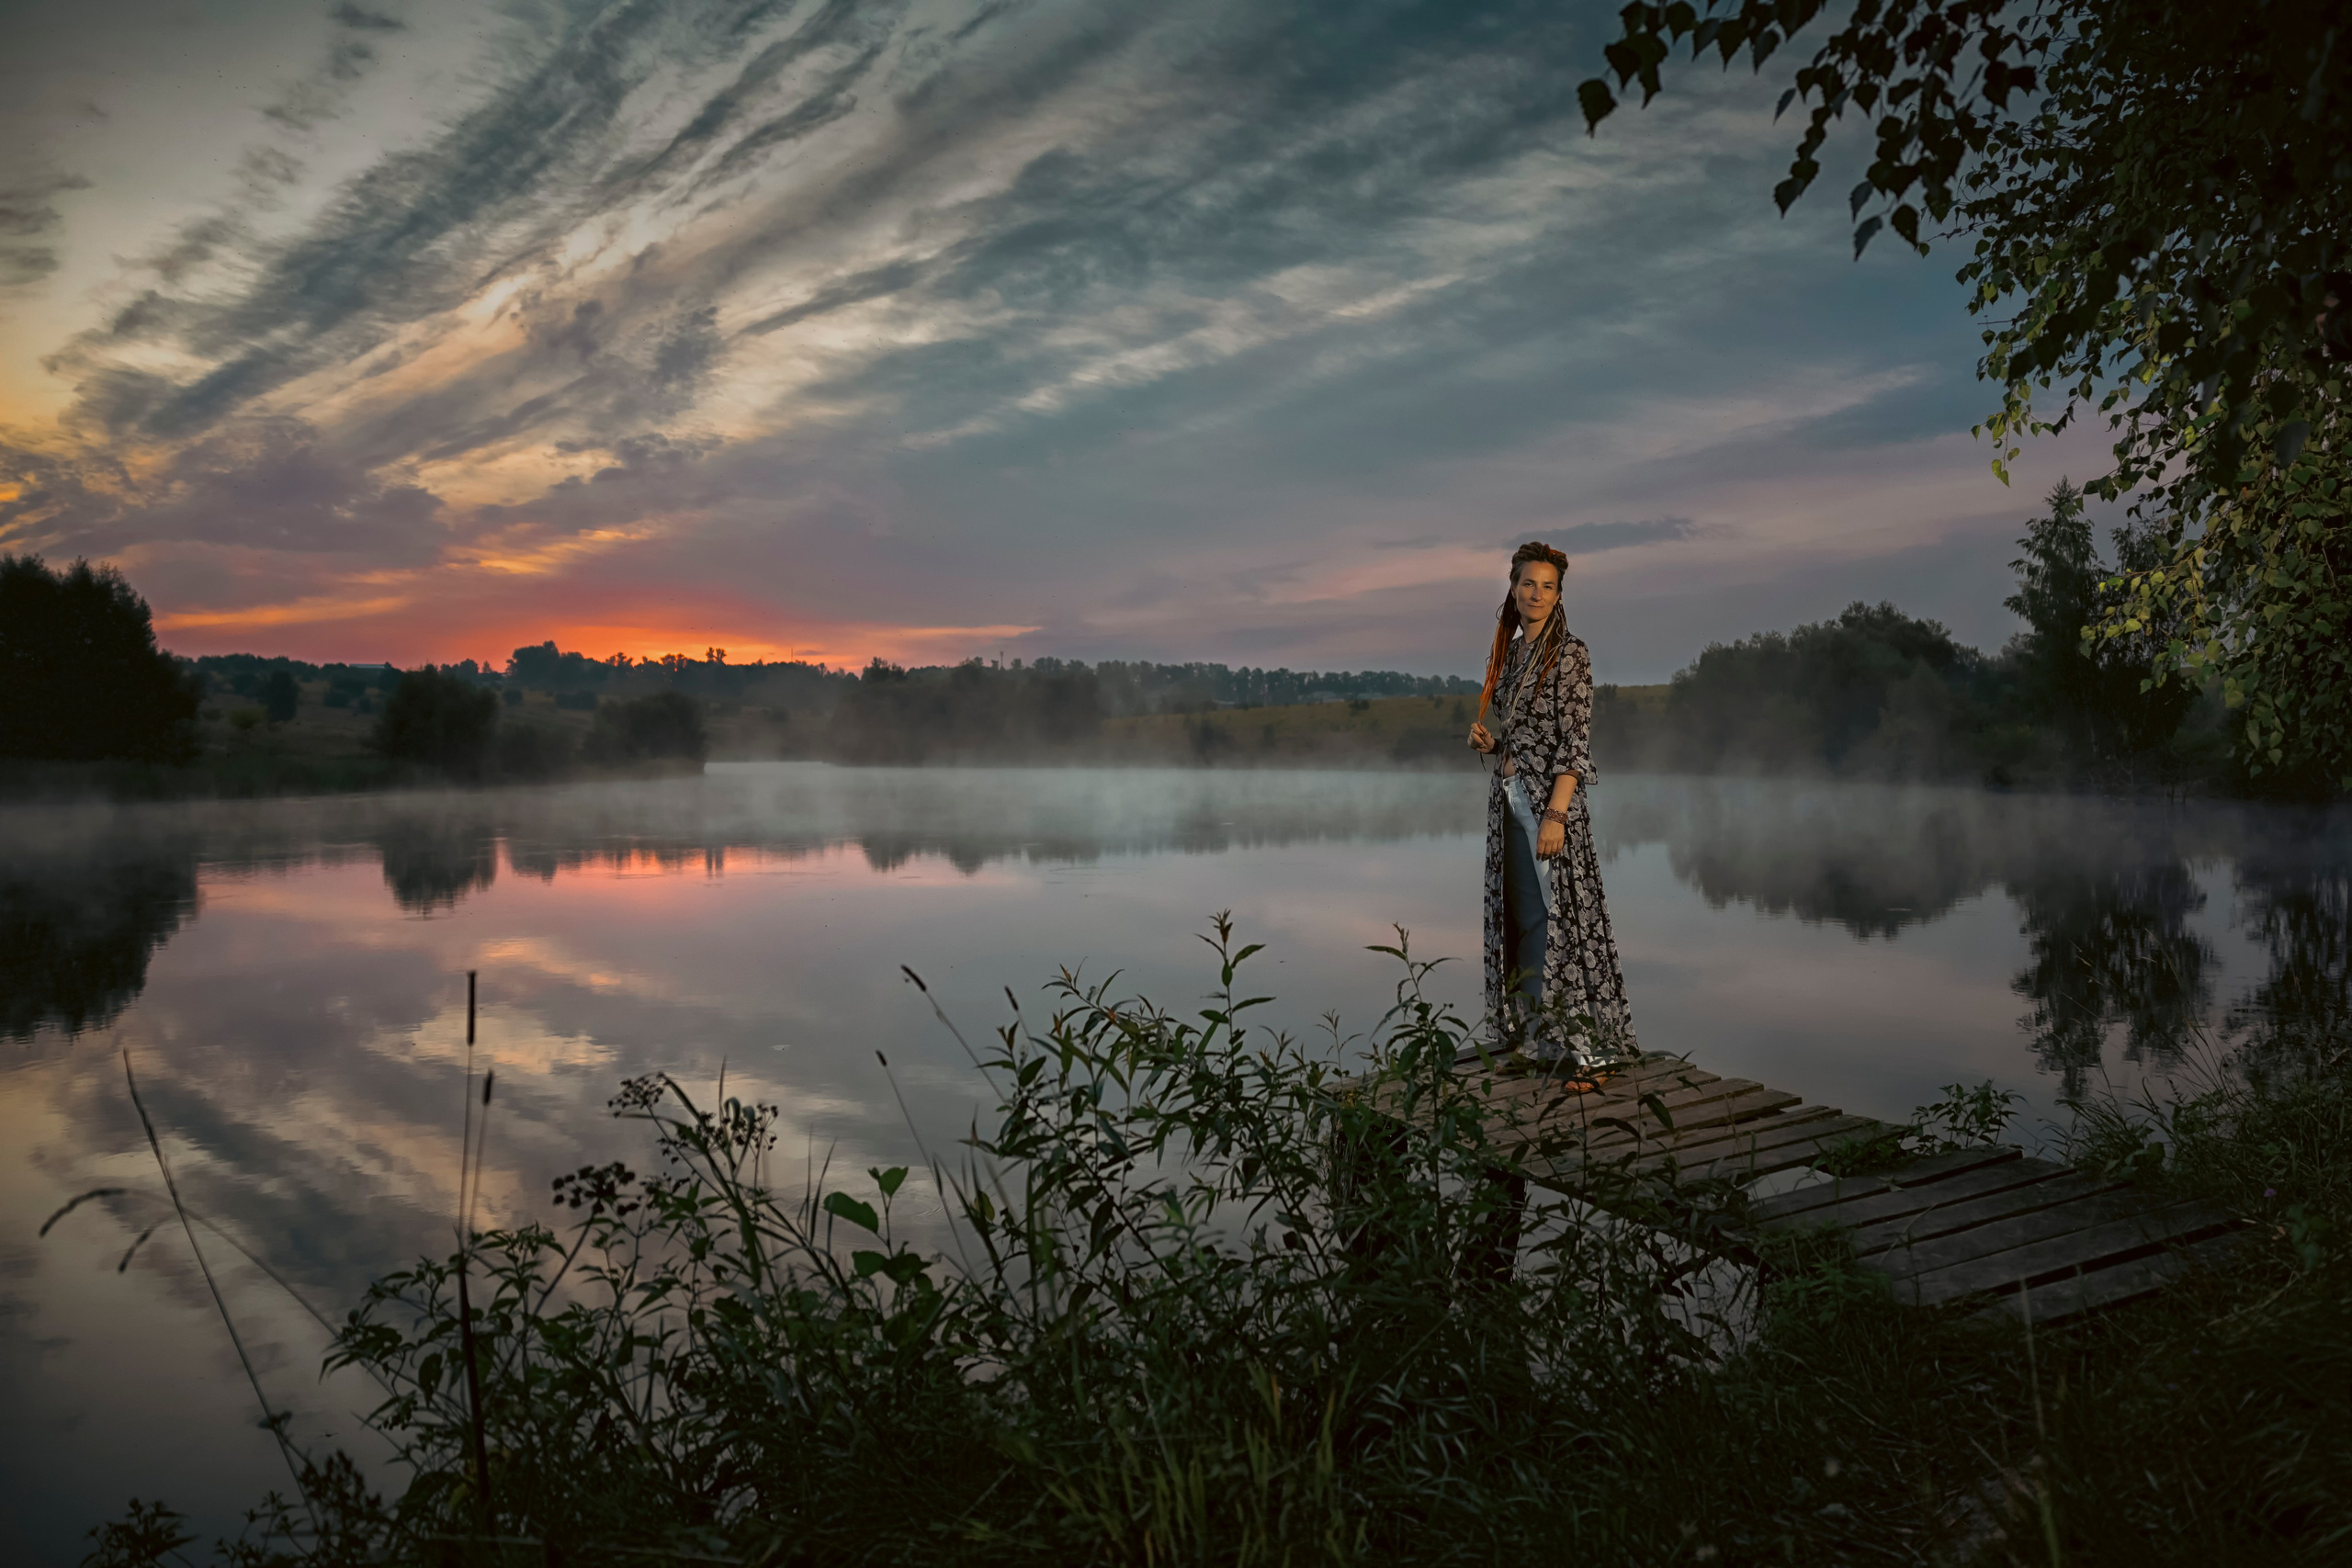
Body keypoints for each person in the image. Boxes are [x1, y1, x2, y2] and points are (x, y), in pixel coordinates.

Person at [1466, 540, 1637, 1072]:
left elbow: (1574, 745)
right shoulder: (1513, 654)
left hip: (1550, 810)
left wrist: (1557, 816)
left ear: (1559, 596)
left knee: (1562, 923)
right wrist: (1494, 747)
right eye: (1527, 584)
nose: (1536, 594)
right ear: (1513, 590)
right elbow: (1528, 738)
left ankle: (1588, 1055)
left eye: (1547, 586)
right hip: (1512, 802)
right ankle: (1536, 1042)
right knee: (1522, 923)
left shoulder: (1572, 654)